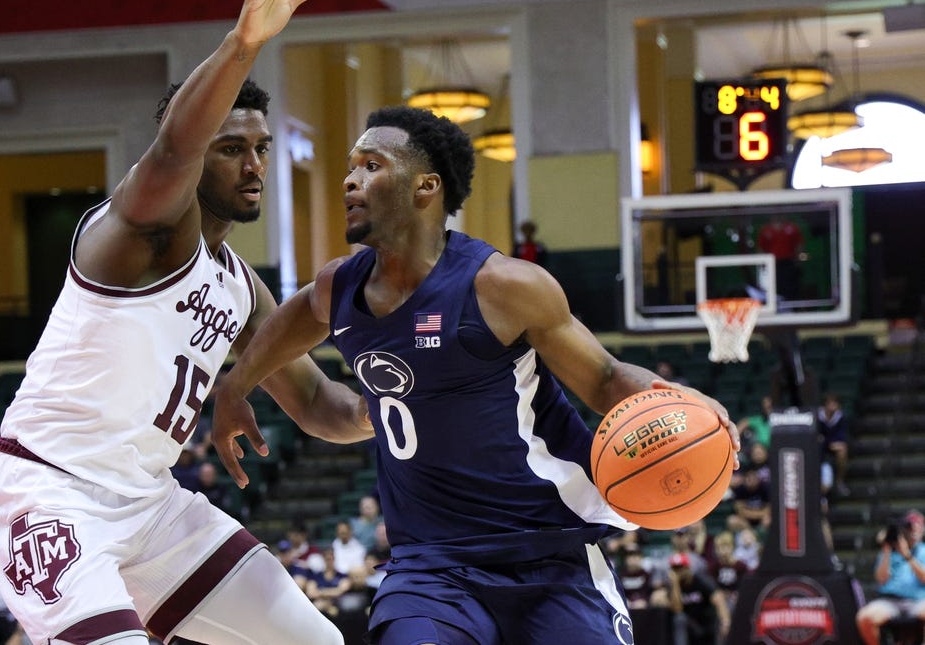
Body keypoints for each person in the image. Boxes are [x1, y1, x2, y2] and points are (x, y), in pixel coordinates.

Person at [211, 105, 740, 644]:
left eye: (371, 165)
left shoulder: (504, 286)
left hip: (548, 553)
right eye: (351, 166)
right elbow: (290, 343)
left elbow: (605, 378)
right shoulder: (337, 288)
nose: (350, 180)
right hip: (430, 569)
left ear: (425, 187)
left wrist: (677, 398)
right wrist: (235, 385)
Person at [0, 0, 368, 645]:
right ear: (194, 162)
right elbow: (174, 146)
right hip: (48, 492)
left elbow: (318, 403)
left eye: (260, 149)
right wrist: (244, 42)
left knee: (317, 641)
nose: (253, 165)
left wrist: (413, 398)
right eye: (231, 149)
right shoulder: (133, 232)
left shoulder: (240, 287)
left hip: (151, 507)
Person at [856, 511, 925, 645]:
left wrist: (907, 556)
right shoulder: (889, 552)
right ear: (904, 530)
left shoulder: (923, 550)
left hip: (918, 600)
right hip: (890, 600)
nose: (914, 530)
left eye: (918, 526)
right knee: (864, 618)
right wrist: (887, 549)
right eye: (911, 527)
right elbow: (881, 579)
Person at [666, 552, 731, 645]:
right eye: (675, 569)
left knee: (718, 621)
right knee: (679, 619)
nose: (678, 572)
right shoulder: (673, 586)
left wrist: (726, 622)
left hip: (708, 622)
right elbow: (677, 609)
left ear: (687, 568)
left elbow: (718, 598)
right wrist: (676, 585)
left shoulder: (700, 579)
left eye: (681, 568)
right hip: (691, 625)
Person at [817, 392, 850, 498]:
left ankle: (840, 481)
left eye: (835, 403)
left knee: (843, 450)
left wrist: (827, 442)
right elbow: (816, 436)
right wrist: (826, 442)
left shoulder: (840, 417)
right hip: (819, 447)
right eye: (830, 403)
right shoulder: (817, 417)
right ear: (825, 405)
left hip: (832, 445)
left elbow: (841, 437)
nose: (833, 406)